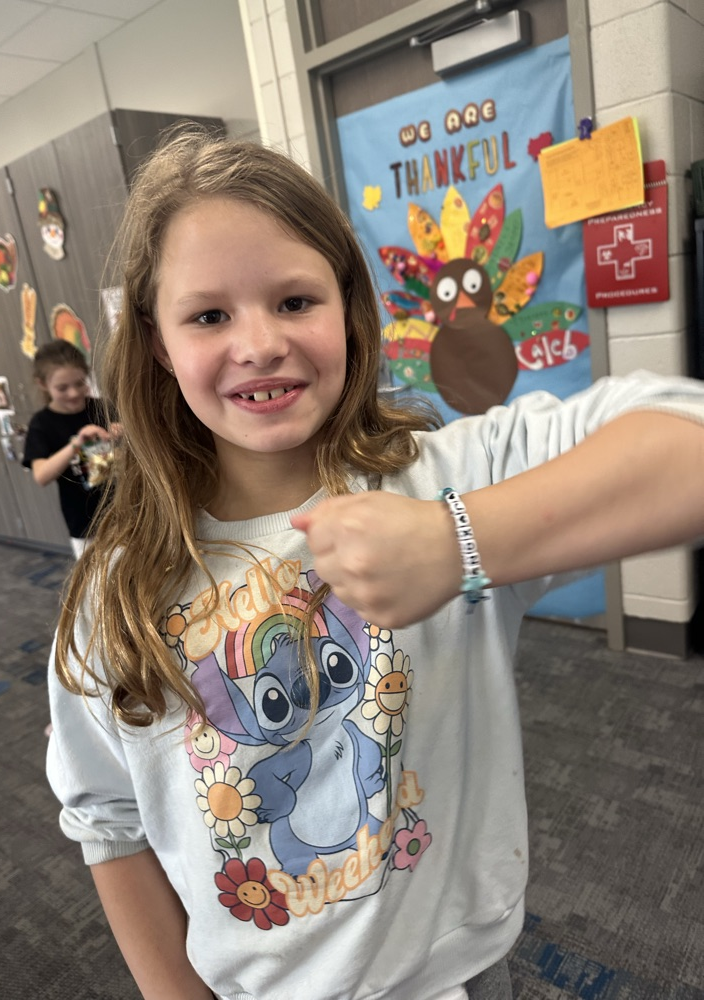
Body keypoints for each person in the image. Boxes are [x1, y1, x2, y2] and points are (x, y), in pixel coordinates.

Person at [45, 128, 704, 1000]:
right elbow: (110, 820)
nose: (259, 344)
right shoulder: (113, 593)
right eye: (208, 315)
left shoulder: (441, 480)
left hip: (456, 978)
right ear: (160, 344)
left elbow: (685, 438)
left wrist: (458, 540)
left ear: (349, 309)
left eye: (293, 301)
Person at [22, 340, 114, 559]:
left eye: (80, 383)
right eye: (62, 388)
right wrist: (76, 445)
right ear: (43, 384)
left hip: (126, 514)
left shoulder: (103, 407)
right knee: (97, 587)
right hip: (85, 525)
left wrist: (124, 433)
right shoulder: (42, 423)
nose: (74, 393)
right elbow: (41, 475)